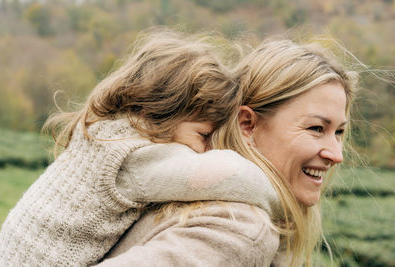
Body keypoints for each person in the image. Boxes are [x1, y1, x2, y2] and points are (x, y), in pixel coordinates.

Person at [0, 31, 282, 266]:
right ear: (168, 113)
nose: (204, 149)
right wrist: (282, 200)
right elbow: (226, 176)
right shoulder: (132, 156)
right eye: (203, 134)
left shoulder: (105, 135)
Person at [96, 38, 357, 267]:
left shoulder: (189, 196)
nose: (336, 155)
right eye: (316, 128)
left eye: (339, 132)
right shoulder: (241, 230)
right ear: (248, 125)